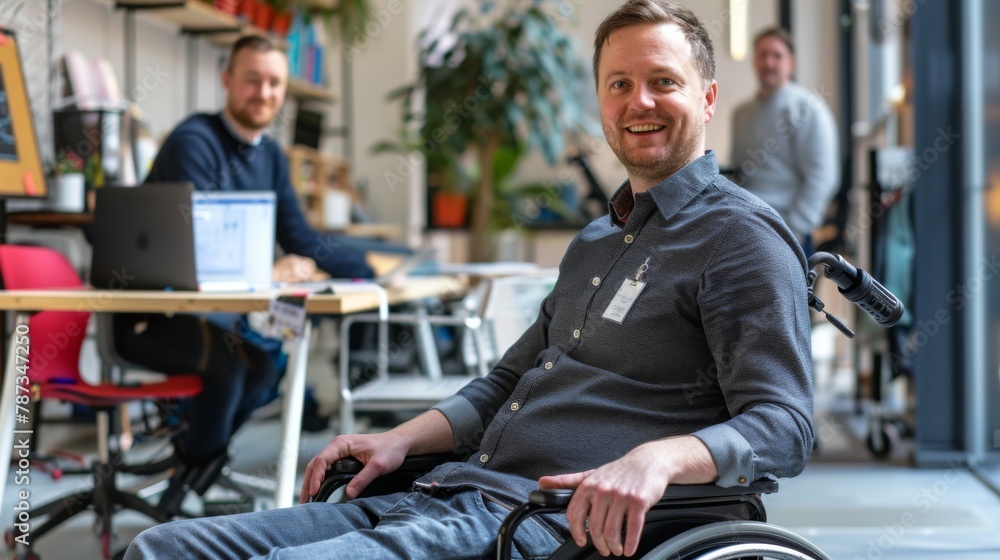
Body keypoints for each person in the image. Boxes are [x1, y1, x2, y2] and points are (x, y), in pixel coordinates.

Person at [124, 2, 814, 558]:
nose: (640, 101)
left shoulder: (740, 239)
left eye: (664, 81)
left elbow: (784, 426)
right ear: (601, 100)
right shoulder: (597, 241)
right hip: (451, 491)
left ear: (709, 96)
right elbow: (501, 386)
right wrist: (400, 440)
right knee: (163, 547)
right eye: (619, 83)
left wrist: (658, 459)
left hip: (542, 523)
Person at [112, 36, 375, 488]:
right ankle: (192, 478)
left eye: (275, 82)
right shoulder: (192, 141)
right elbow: (197, 245)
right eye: (252, 80)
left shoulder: (269, 153)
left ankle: (193, 467)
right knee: (233, 367)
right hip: (153, 316)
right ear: (228, 81)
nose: (264, 92)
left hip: (215, 317)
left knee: (267, 365)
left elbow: (299, 237)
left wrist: (371, 266)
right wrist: (267, 272)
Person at [730, 27, 839, 249]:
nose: (769, 63)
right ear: (754, 61)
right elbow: (736, 173)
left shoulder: (808, 108)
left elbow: (823, 176)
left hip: (788, 233)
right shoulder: (740, 114)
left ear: (792, 63)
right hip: (744, 230)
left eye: (777, 56)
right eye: (762, 55)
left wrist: (797, 227)